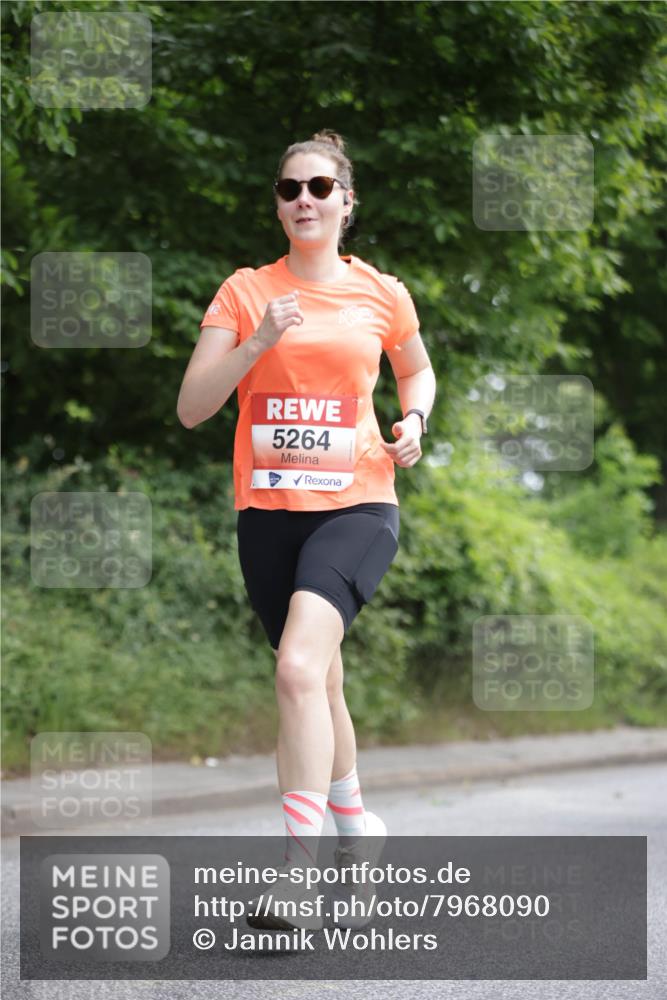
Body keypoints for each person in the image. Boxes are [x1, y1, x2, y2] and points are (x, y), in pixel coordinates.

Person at [177, 129, 436, 931]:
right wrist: (259, 340)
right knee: (318, 681)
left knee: (295, 669)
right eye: (290, 189)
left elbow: (415, 367)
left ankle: (298, 873)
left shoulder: (381, 292)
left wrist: (416, 417)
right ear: (277, 203)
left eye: (320, 188)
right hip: (269, 513)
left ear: (346, 201)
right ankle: (358, 829)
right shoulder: (245, 292)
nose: (304, 201)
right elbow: (191, 408)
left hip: (359, 503)